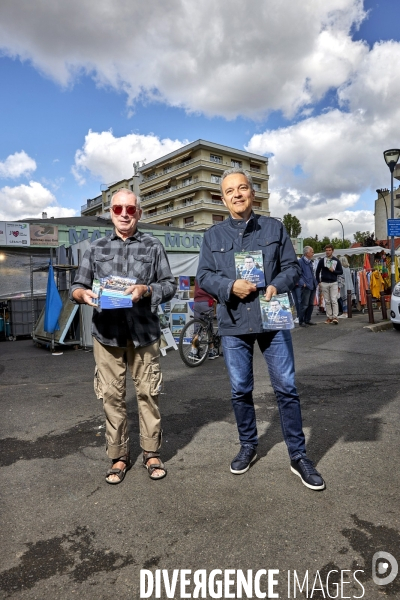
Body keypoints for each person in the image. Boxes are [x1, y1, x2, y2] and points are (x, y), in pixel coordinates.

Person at [197, 168, 325, 491]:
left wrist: (276, 285)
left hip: (272, 317)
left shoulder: (274, 227)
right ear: (223, 199)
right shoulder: (212, 237)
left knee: (286, 387)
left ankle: (298, 455)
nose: (237, 194)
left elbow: (292, 267)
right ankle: (248, 445)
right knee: (240, 388)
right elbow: (204, 278)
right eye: (230, 191)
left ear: (252, 193)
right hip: (234, 321)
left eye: (243, 188)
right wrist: (229, 287)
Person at [70, 189, 177, 484]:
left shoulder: (154, 246)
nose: (125, 214)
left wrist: (147, 289)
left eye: (130, 209)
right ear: (111, 213)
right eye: (118, 208)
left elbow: (170, 284)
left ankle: (151, 452)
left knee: (148, 394)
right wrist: (83, 294)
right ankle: (118, 456)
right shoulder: (96, 248)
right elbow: (76, 287)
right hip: (107, 335)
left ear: (139, 213)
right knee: (112, 397)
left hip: (144, 333)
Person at [188, 279, 219, 361]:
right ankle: (211, 352)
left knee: (197, 328)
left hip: (197, 303)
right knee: (209, 327)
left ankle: (193, 351)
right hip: (207, 302)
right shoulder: (209, 275)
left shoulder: (198, 276)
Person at [315, 244, 343, 325]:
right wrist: (318, 282)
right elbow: (317, 271)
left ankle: (335, 317)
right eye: (326, 250)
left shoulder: (336, 260)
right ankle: (329, 317)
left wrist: (333, 271)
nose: (327, 252)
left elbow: (340, 272)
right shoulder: (322, 261)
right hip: (324, 282)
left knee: (334, 300)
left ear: (332, 251)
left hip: (333, 282)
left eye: (329, 250)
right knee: (327, 301)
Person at [298, 246, 318, 328]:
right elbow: (297, 274)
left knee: (310, 304)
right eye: (312, 252)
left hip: (312, 285)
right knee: (304, 304)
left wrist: (315, 283)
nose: (313, 253)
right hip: (306, 286)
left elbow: (312, 274)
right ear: (307, 253)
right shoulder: (300, 262)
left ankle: (307, 319)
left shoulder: (310, 262)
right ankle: (301, 321)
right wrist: (303, 283)